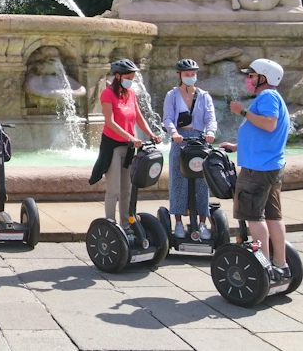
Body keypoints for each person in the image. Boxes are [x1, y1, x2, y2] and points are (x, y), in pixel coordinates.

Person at [221, 58, 291, 281]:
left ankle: (263, 268)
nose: (248, 79)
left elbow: (269, 124)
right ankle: (280, 264)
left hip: (257, 170)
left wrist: (242, 112)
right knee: (273, 217)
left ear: (264, 77)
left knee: (254, 217)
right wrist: (237, 146)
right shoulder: (273, 97)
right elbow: (263, 134)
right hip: (270, 166)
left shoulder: (268, 96)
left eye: (251, 75)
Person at [89, 59, 162, 227]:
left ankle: (126, 225)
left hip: (129, 148)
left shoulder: (131, 94)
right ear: (118, 76)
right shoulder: (107, 94)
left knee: (126, 190)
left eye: (133, 77)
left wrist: (151, 134)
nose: (131, 80)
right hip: (113, 147)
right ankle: (110, 224)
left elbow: (138, 117)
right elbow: (110, 122)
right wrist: (131, 137)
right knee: (114, 190)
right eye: (128, 77)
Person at [163, 58, 218, 239]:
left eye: (193, 74)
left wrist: (210, 132)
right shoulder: (172, 95)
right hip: (180, 140)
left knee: (203, 182)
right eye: (187, 74)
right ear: (180, 75)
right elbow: (168, 118)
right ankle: (178, 222)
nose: (191, 77)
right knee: (178, 181)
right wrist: (173, 133)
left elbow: (211, 118)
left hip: (201, 140)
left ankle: (202, 223)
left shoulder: (204, 96)